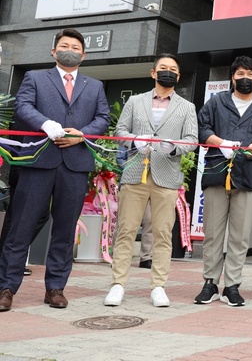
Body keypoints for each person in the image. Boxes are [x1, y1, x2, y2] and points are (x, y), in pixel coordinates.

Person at [0, 28, 110, 312]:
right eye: (64, 45)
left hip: (74, 165)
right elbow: (23, 107)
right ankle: (6, 287)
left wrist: (83, 134)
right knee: (21, 227)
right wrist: (45, 124)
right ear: (54, 51)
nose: (69, 50)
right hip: (38, 161)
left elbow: (103, 118)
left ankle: (55, 288)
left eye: (75, 47)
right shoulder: (35, 78)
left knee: (64, 230)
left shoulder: (94, 86)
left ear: (83, 55)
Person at [104, 54, 198, 308]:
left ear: (178, 77)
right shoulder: (135, 101)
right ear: (153, 72)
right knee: (125, 230)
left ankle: (158, 286)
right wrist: (135, 139)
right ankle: (117, 285)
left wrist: (173, 147)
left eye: (173, 70)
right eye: (163, 68)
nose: (168, 72)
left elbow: (191, 139)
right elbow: (119, 131)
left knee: (162, 233)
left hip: (166, 176)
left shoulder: (186, 107)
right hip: (135, 174)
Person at [194, 56, 252, 307]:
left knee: (240, 236)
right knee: (213, 233)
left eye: (251, 74)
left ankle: (232, 285)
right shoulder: (216, 102)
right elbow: (202, 127)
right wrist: (221, 143)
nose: (246, 78)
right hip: (218, 171)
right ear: (232, 77)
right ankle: (210, 282)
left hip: (249, 174)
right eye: (241, 73)